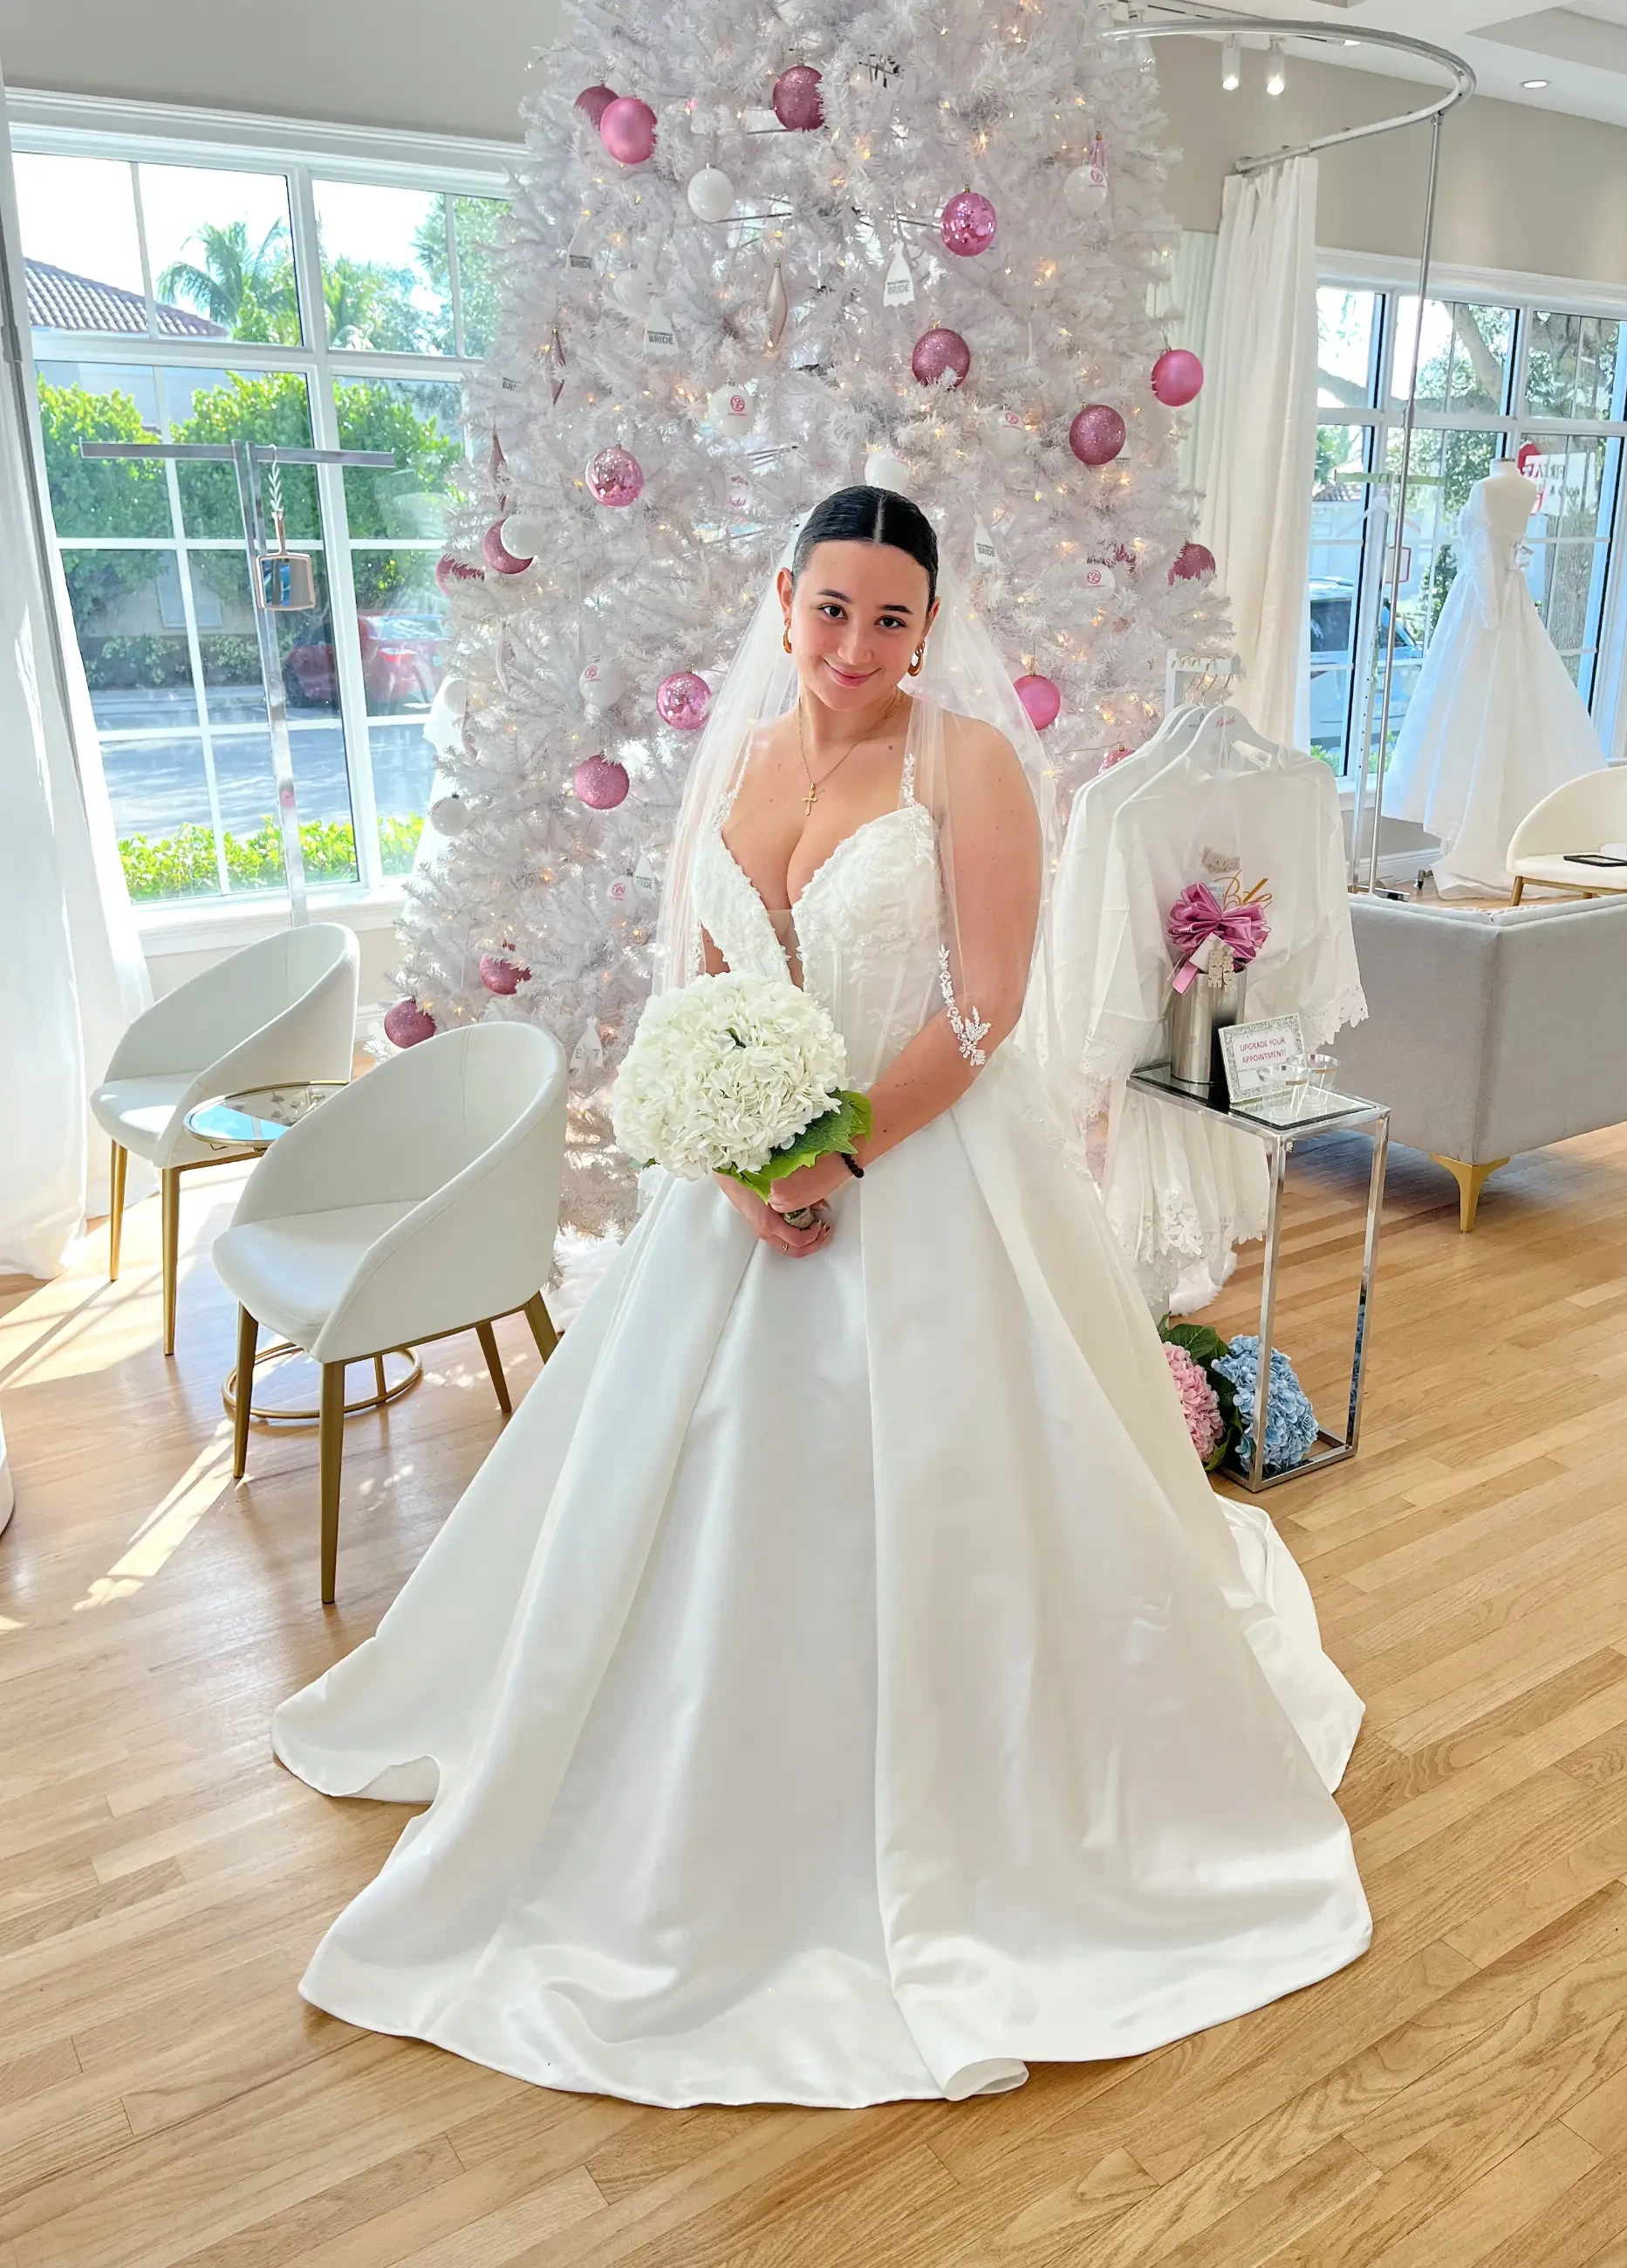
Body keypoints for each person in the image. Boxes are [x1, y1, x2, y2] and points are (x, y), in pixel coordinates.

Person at [273, 485, 1371, 2110]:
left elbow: (985, 1008)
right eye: (832, 608)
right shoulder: (732, 762)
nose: (856, 645)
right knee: (673, 1486)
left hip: (926, 1171)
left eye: (892, 617)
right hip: (741, 1189)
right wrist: (736, 1161)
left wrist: (834, 1153)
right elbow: (708, 994)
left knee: (955, 1489)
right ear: (782, 601)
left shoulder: (965, 765)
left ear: (928, 629)